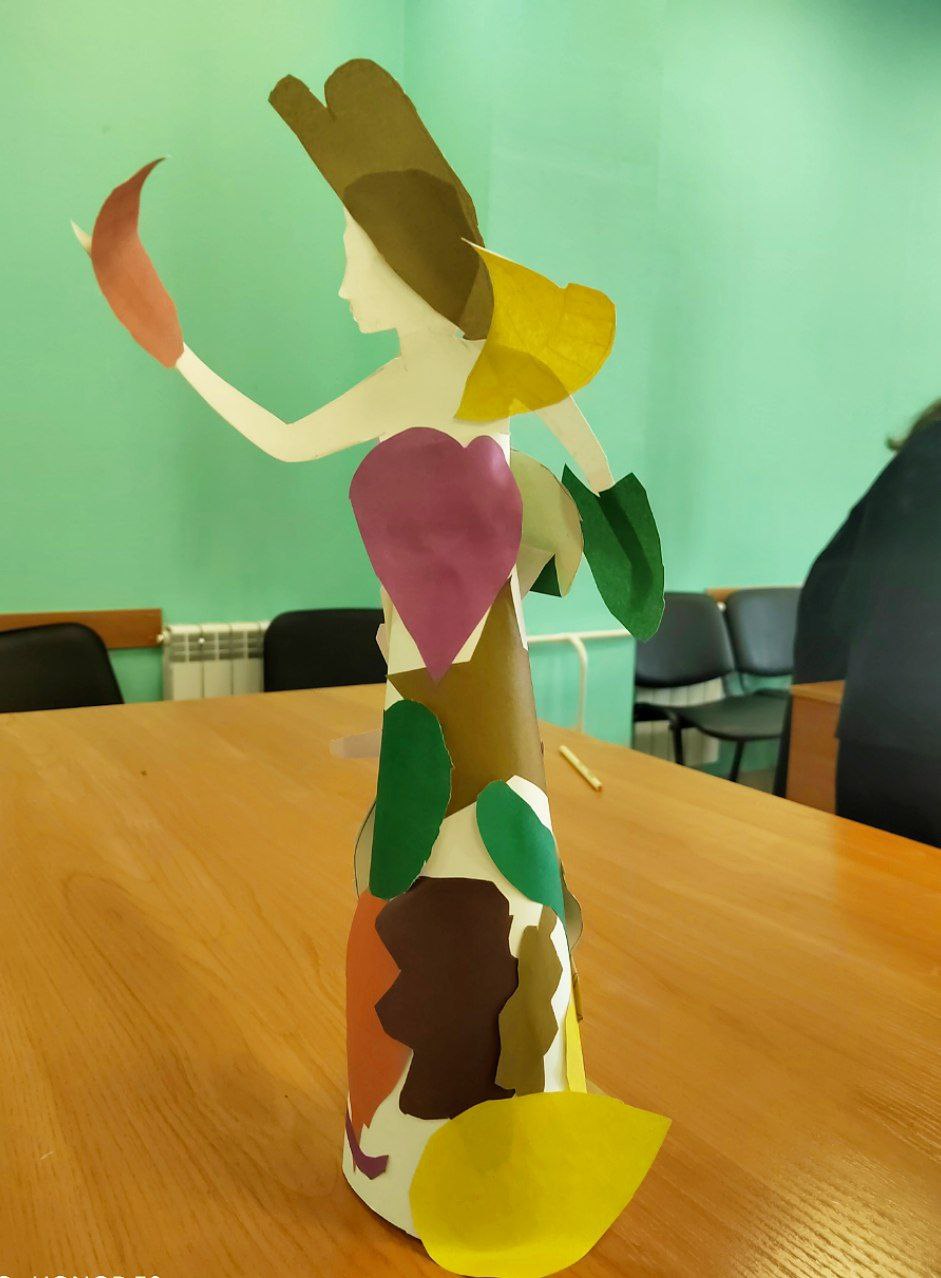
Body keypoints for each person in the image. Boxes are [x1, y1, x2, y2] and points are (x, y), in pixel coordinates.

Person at [76, 59, 668, 1273]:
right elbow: (286, 438)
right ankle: (403, 1142)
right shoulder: (400, 384)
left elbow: (591, 466)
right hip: (422, 702)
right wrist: (171, 347)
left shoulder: (492, 373)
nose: (344, 279)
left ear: (401, 259)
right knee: (419, 881)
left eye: (354, 254)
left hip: (477, 698)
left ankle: (501, 1137)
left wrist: (605, 508)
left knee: (492, 882)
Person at [778, 401, 941, 846]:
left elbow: (840, 594)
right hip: (915, 738)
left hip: (881, 723)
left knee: (873, 874)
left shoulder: (919, 460)